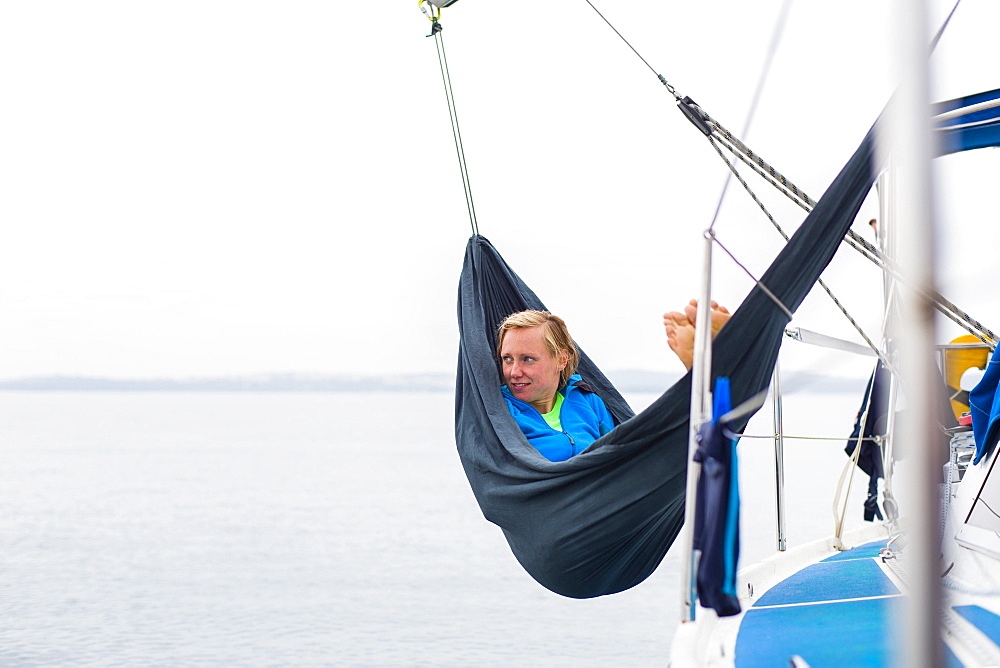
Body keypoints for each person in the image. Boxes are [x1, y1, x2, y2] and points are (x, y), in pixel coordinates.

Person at [498, 301, 731, 461]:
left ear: (561, 359)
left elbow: (624, 453)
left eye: (527, 359)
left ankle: (705, 377)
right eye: (507, 359)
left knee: (661, 448)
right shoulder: (498, 409)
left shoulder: (586, 400)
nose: (514, 372)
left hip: (610, 501)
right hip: (556, 511)